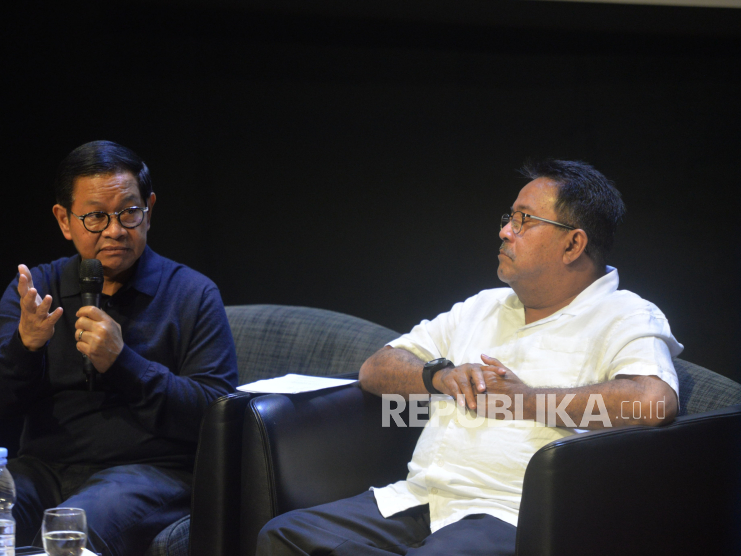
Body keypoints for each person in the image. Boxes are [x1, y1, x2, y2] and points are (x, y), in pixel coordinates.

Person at [256, 159, 682, 556]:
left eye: (524, 220)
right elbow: (377, 368)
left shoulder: (624, 314)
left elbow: (651, 401)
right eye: (508, 218)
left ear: (573, 244)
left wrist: (525, 399)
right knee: (285, 537)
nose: (505, 231)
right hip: (420, 499)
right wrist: (438, 376)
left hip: (515, 514)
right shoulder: (483, 306)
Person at [0, 141, 238, 556]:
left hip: (150, 474)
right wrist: (26, 346)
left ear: (149, 209)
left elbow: (214, 412)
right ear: (64, 219)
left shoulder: (193, 294)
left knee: (73, 526)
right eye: (95, 216)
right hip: (44, 468)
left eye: (129, 212)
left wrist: (123, 362)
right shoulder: (36, 292)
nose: (114, 230)